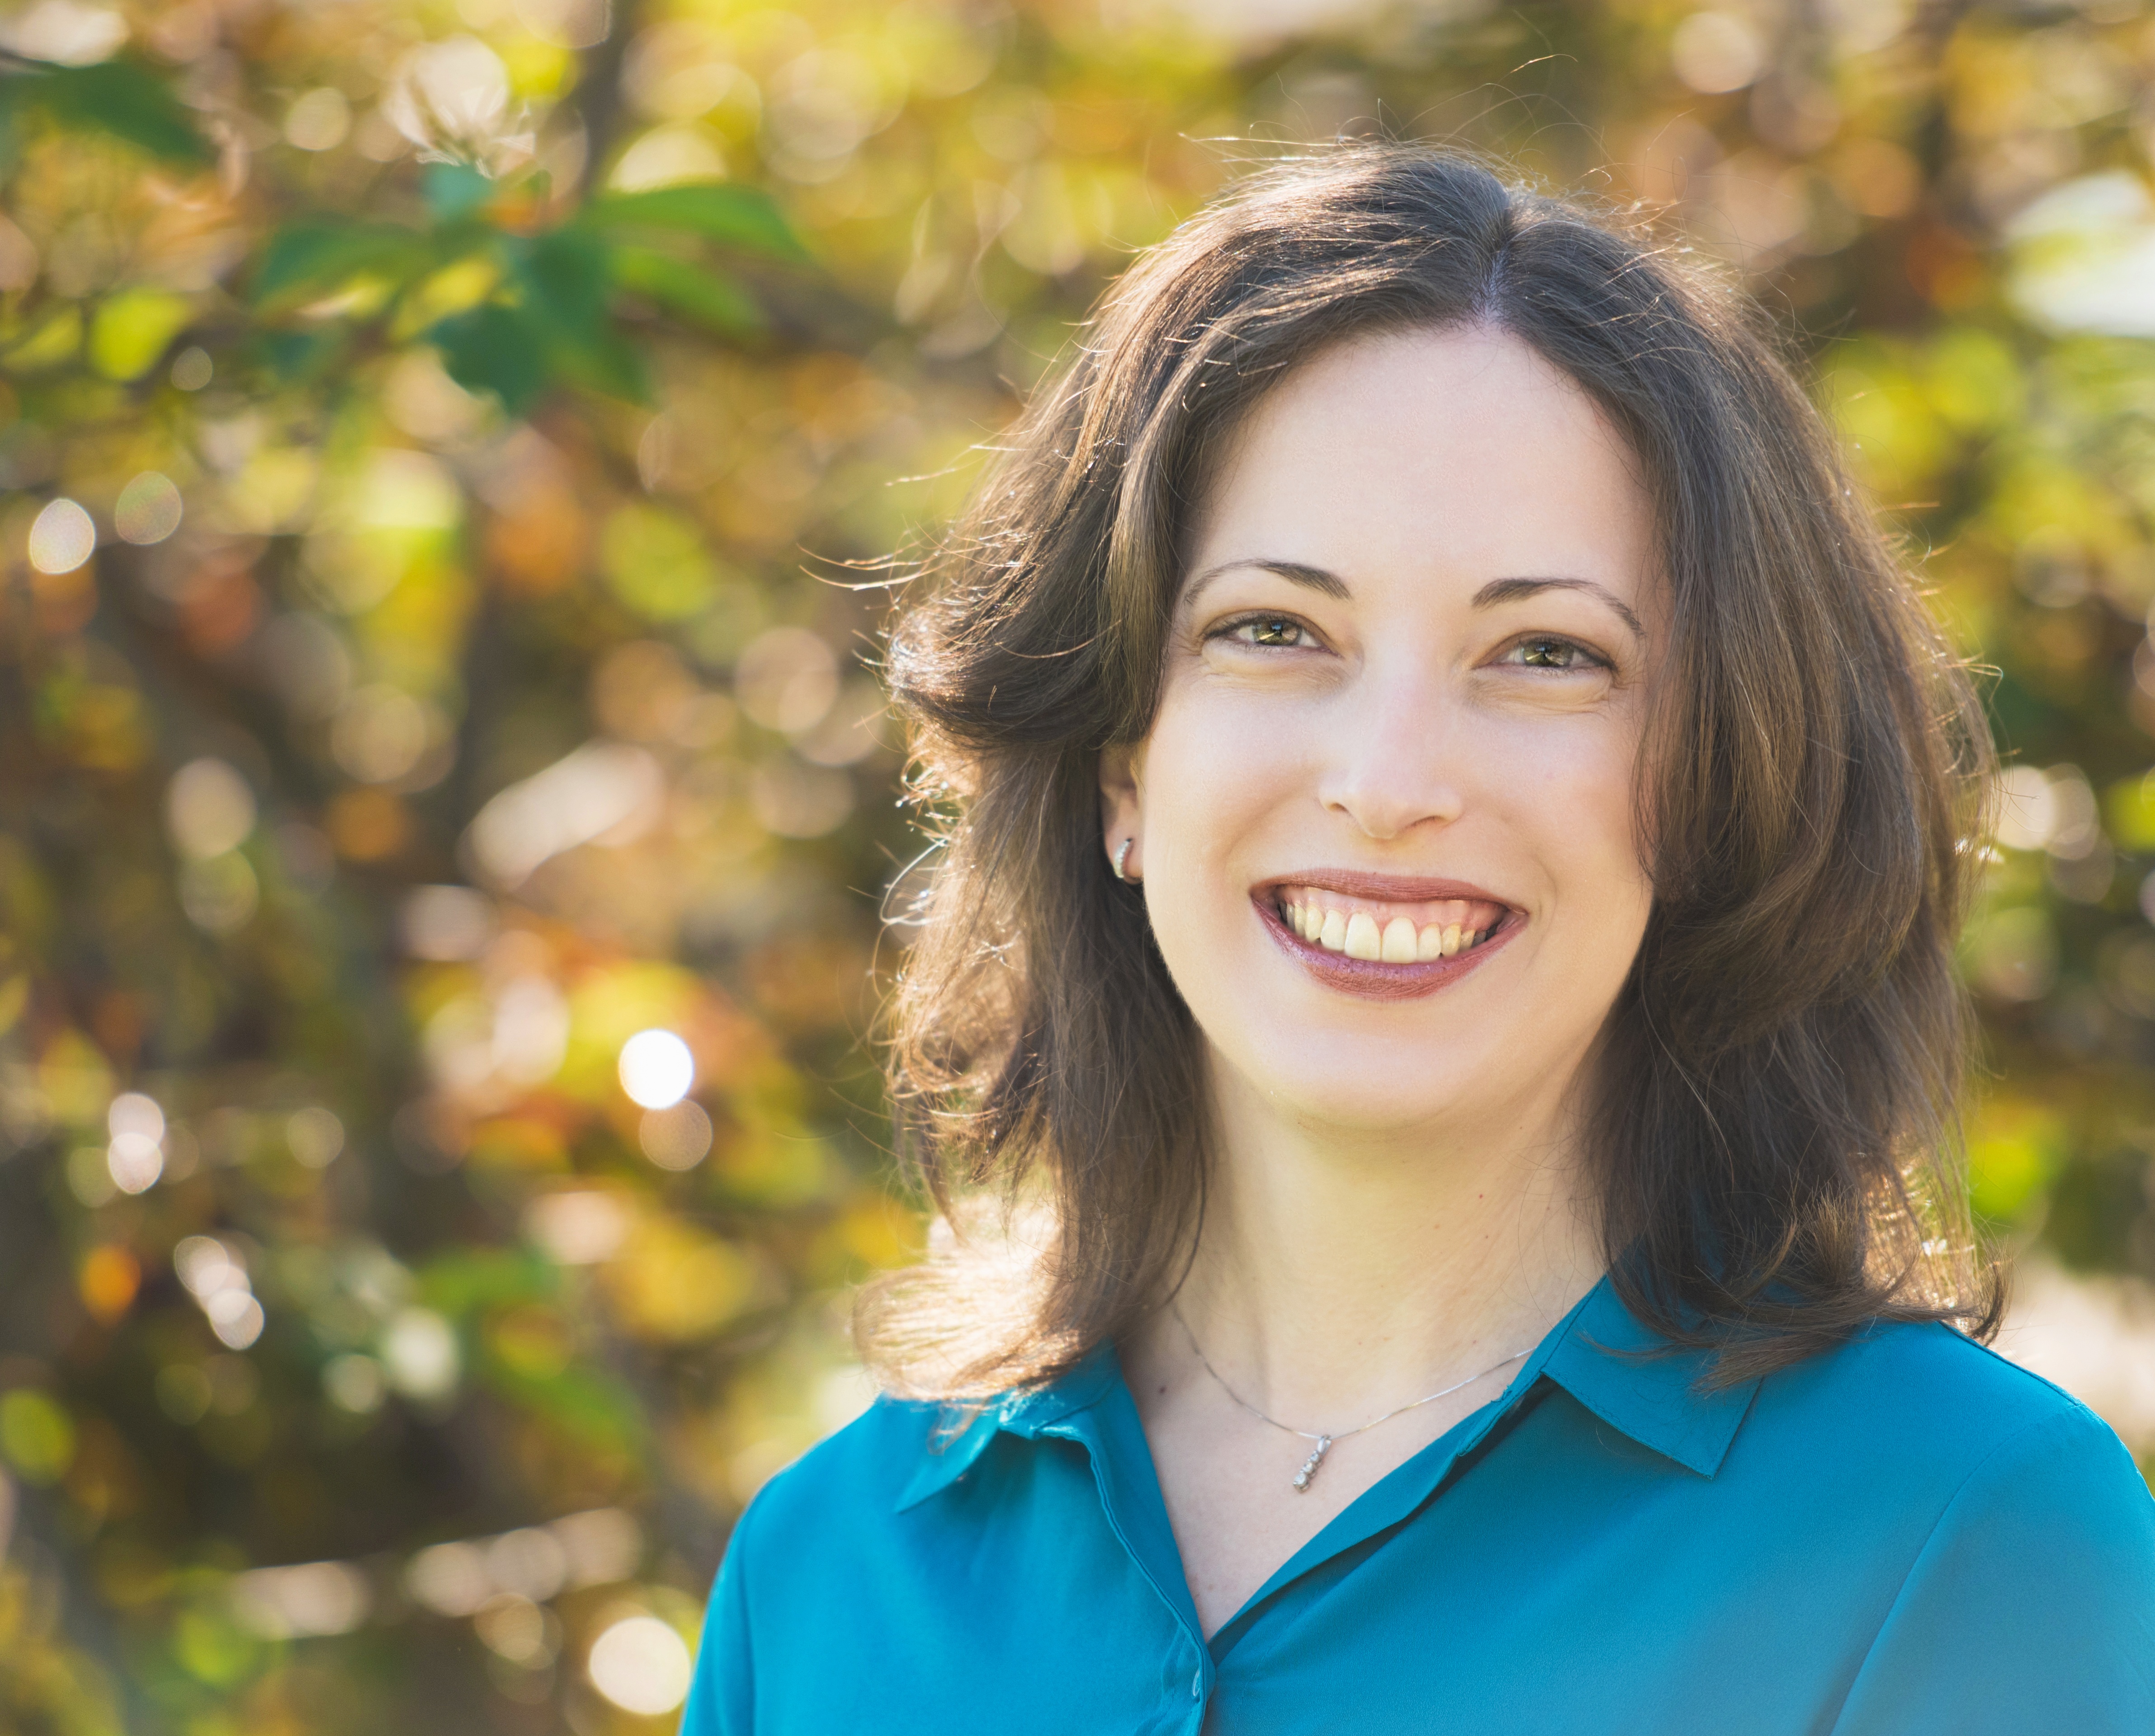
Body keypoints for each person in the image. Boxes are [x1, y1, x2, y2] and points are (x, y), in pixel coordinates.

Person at [679, 146, 2155, 1734]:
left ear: (1712, 781)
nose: (1388, 786)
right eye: (1273, 630)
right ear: (1121, 764)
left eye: (1543, 653)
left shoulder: (1963, 1534)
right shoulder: (830, 1565)